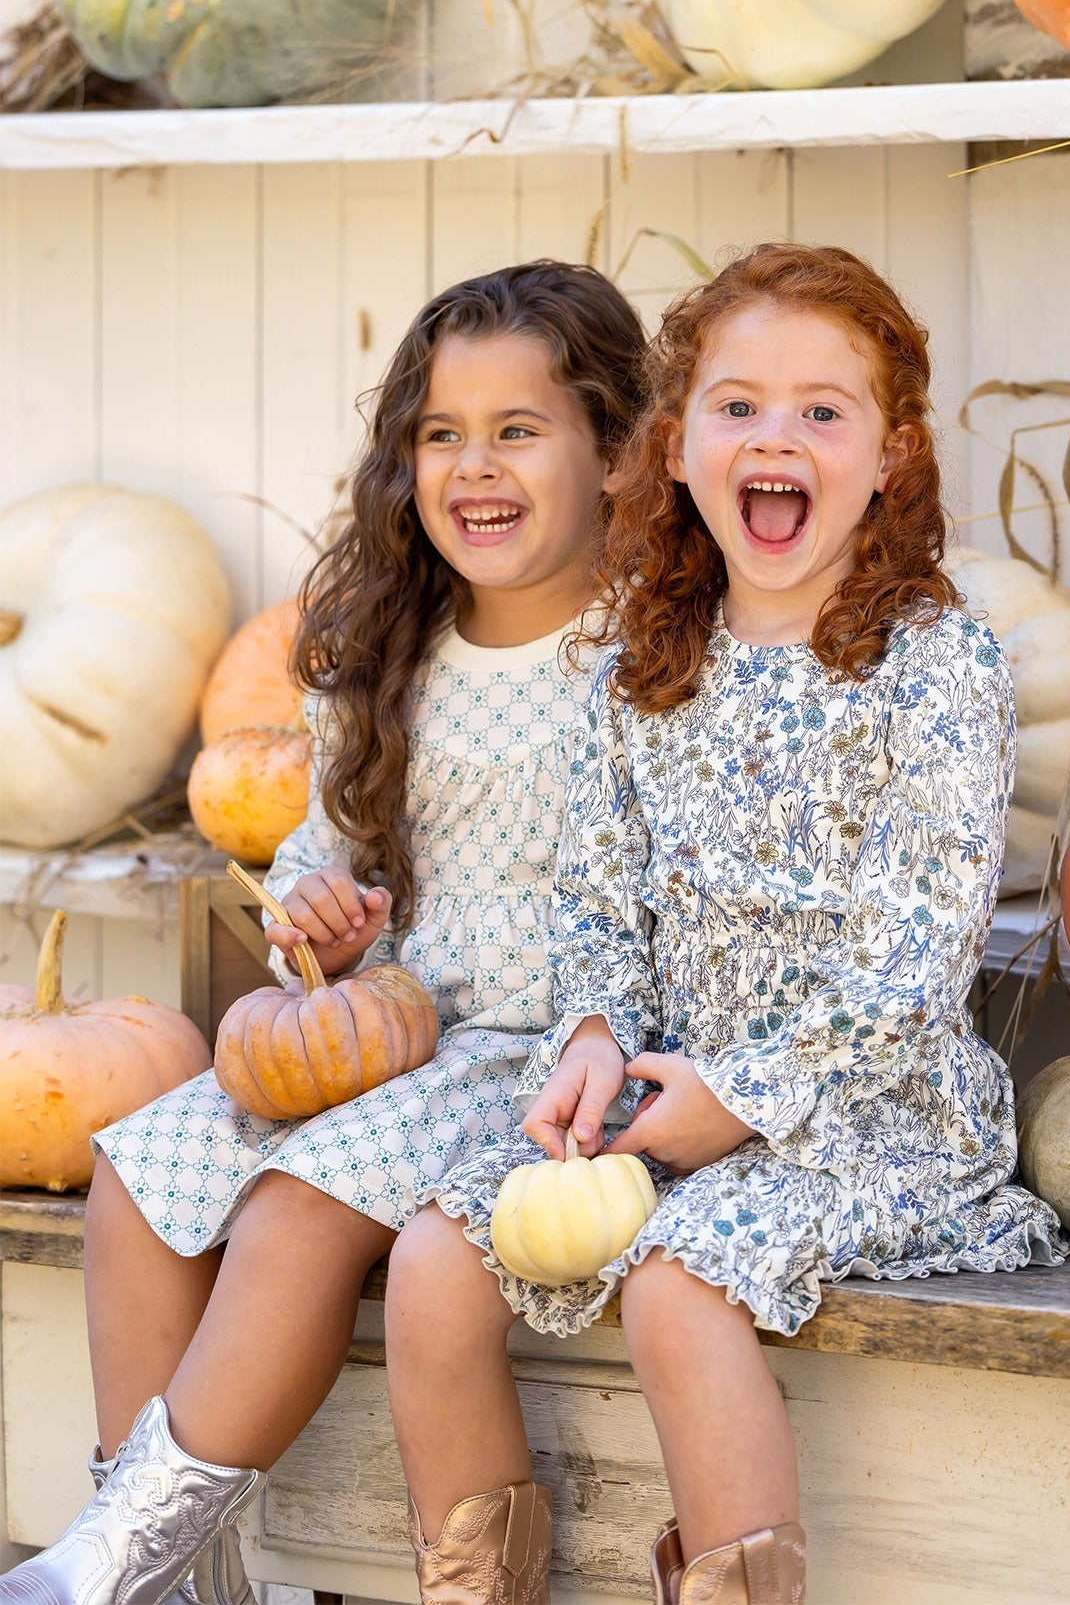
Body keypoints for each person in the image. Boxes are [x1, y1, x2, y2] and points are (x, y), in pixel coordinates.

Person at [384, 243, 1070, 1605]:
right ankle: (473, 1587)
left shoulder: (932, 667)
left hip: (872, 1118)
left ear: (891, 457)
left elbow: (912, 965)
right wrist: (590, 1038)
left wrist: (740, 1097)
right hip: (664, 1104)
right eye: (739, 404)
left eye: (826, 411)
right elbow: (599, 909)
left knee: (677, 1289)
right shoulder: (643, 657)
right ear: (679, 447)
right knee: (434, 1259)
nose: (778, 435)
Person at [0, 260, 647, 1605]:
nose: (475, 465)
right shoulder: (389, 653)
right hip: (387, 1029)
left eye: (519, 430)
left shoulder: (645, 659)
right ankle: (172, 1577)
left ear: (616, 449)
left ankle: (107, 1563)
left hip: (543, 1060)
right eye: (440, 433)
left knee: (299, 1205)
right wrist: (322, 923)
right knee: (138, 1176)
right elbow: (319, 856)